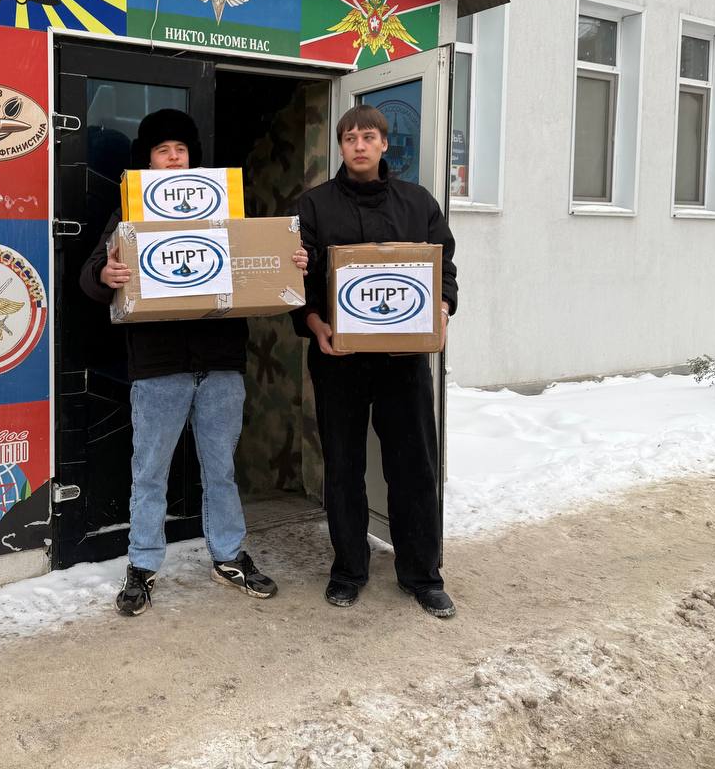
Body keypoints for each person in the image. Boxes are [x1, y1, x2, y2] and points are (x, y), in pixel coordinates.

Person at [78, 108, 308, 616]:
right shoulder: (129, 214)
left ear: (192, 158)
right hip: (158, 367)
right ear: (149, 161)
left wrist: (291, 261)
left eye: (180, 149)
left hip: (221, 363)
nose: (173, 157)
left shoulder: (226, 212)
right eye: (163, 150)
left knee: (221, 470)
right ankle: (142, 565)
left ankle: (228, 555)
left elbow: (262, 262)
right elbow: (91, 275)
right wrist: (105, 275)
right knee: (150, 473)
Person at [294, 104, 459, 619]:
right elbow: (297, 280)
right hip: (337, 359)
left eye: (368, 137)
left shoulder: (418, 202)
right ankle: (349, 570)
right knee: (343, 467)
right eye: (350, 138)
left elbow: (444, 268)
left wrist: (442, 311)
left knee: (414, 467)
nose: (359, 145)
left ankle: (422, 575)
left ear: (385, 144)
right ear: (341, 147)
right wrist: (315, 324)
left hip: (403, 362)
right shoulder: (314, 206)